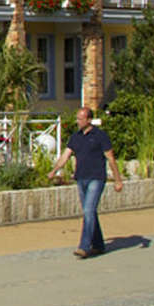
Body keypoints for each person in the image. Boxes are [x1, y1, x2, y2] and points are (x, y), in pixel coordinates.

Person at [50, 106, 124, 258]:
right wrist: (54, 170)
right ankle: (98, 245)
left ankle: (84, 246)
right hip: (81, 178)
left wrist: (118, 180)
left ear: (89, 120)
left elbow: (111, 158)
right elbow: (66, 155)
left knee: (88, 211)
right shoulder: (75, 137)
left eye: (80, 119)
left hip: (96, 178)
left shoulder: (100, 136)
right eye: (77, 118)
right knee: (90, 212)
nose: (77, 121)